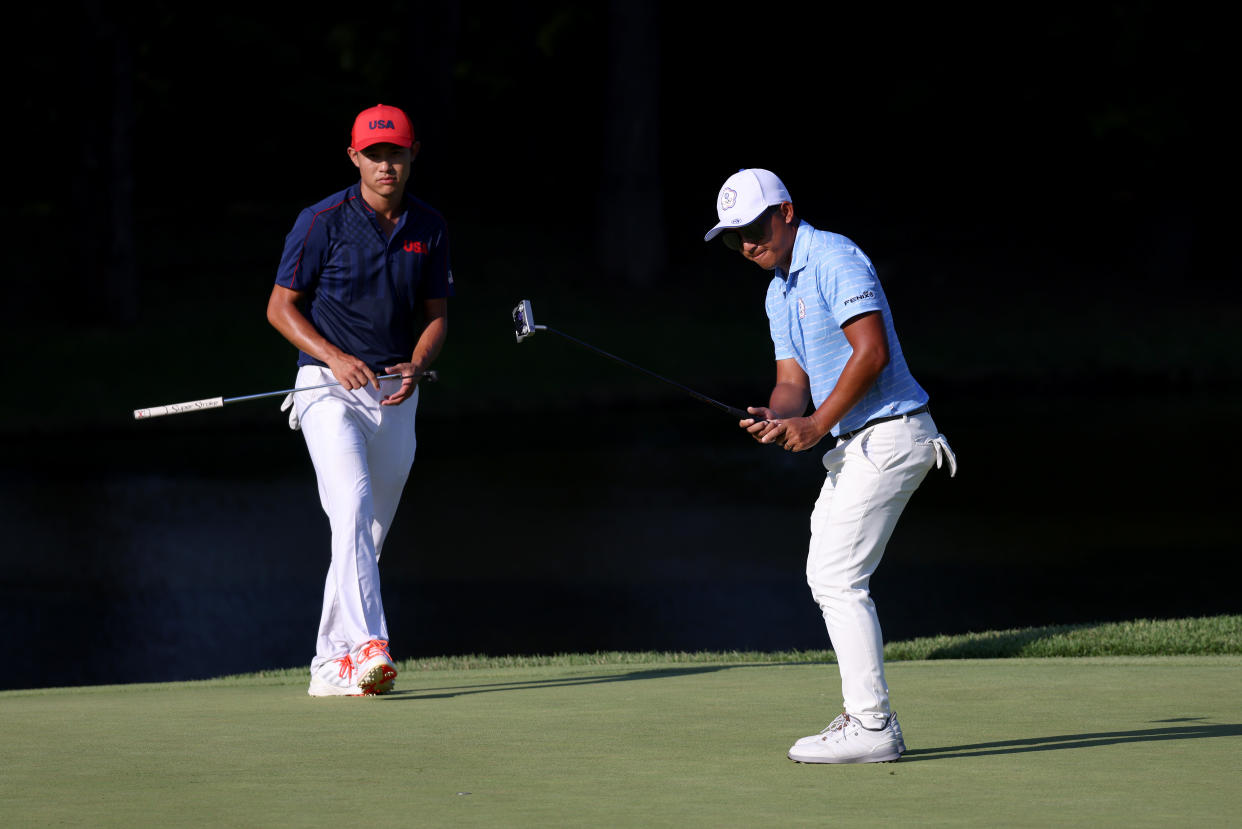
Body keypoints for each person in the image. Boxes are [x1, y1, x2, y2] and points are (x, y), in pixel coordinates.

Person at [704, 168, 955, 763]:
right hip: (859, 444)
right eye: (733, 236)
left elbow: (872, 354)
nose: (746, 243)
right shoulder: (777, 291)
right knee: (829, 572)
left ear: (786, 213)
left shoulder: (835, 257)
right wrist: (779, 414)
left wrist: (814, 426)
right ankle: (865, 719)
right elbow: (793, 383)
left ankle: (872, 725)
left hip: (891, 434)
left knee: (838, 578)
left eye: (754, 227)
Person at [267, 103, 452, 697]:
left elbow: (437, 318)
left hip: (396, 395)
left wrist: (418, 366)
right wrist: (333, 358)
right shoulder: (321, 220)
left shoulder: (430, 225)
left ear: (412, 153)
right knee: (350, 504)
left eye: (395, 152)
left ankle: (328, 665)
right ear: (355, 158)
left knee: (364, 535)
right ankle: (372, 645)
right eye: (374, 155)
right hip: (326, 388)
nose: (385, 164)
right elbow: (280, 308)